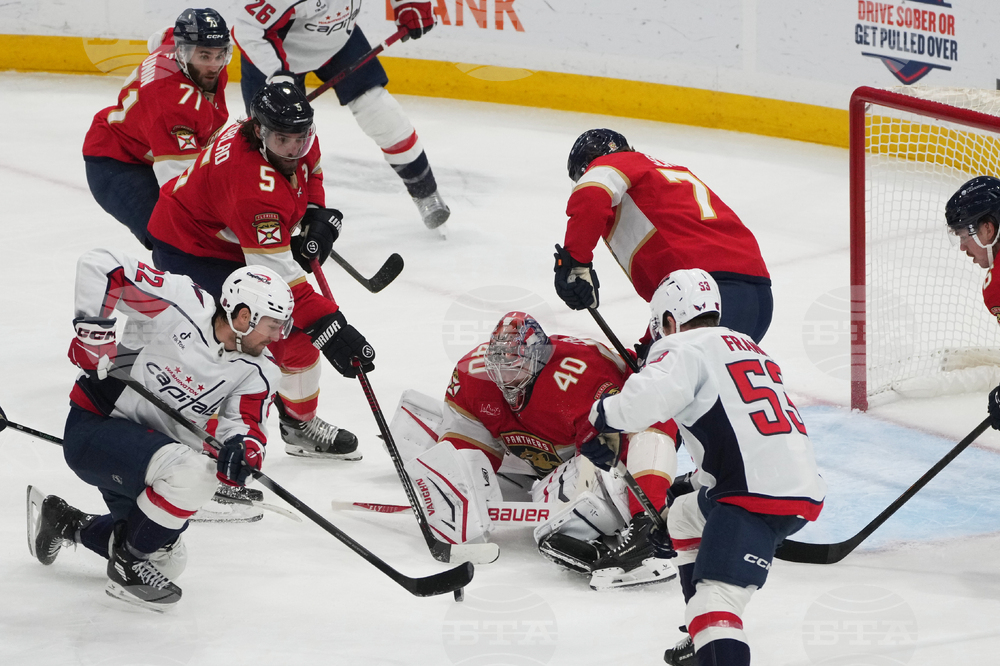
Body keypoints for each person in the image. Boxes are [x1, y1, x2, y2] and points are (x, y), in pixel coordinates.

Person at [582, 269, 826, 665]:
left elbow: (643, 402)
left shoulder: (681, 347)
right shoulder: (746, 345)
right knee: (682, 514)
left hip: (756, 497)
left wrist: (600, 417)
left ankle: (710, 631)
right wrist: (690, 483)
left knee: (714, 604)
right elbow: (746, 436)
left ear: (668, 320)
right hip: (793, 484)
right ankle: (702, 640)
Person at [27, 249, 292, 609]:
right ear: (244, 316)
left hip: (149, 459)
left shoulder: (258, 370)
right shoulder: (180, 303)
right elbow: (102, 266)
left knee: (169, 561)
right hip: (97, 429)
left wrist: (242, 452)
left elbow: (245, 427)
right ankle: (127, 564)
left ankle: (67, 523)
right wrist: (94, 333)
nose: (277, 336)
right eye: (273, 325)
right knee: (195, 476)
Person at [147, 80, 374, 461]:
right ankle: (206, 433)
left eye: (301, 137)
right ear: (259, 131)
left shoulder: (293, 133)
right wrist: (332, 326)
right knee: (244, 336)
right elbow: (283, 279)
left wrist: (314, 213)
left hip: (231, 238)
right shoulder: (251, 186)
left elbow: (311, 170)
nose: (294, 148)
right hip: (190, 248)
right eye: (284, 140)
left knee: (299, 341)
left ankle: (299, 425)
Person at [389, 311, 680, 590]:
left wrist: (636, 494)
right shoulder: (474, 374)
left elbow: (627, 429)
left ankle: (648, 521)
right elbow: (467, 444)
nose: (506, 380)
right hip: (528, 456)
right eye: (499, 369)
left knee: (571, 515)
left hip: (600, 446)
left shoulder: (581, 372)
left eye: (515, 369)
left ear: (539, 358)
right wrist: (454, 489)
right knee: (427, 445)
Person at [232, 0, 450, 230]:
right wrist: (278, 78)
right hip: (272, 55)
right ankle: (273, 216)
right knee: (274, 142)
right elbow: (248, 27)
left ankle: (425, 192)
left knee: (381, 113)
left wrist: (409, 3)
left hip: (338, 42)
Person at [553, 128, 773, 347]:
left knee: (666, 376)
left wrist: (575, 262)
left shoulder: (613, 164)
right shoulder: (659, 171)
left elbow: (591, 194)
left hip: (706, 294)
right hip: (757, 295)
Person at [82, 8, 232, 249]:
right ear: (183, 53)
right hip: (119, 161)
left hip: (150, 146)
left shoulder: (179, 43)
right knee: (172, 236)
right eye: (205, 56)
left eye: (220, 55)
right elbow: (181, 188)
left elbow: (160, 37)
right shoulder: (170, 104)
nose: (214, 66)